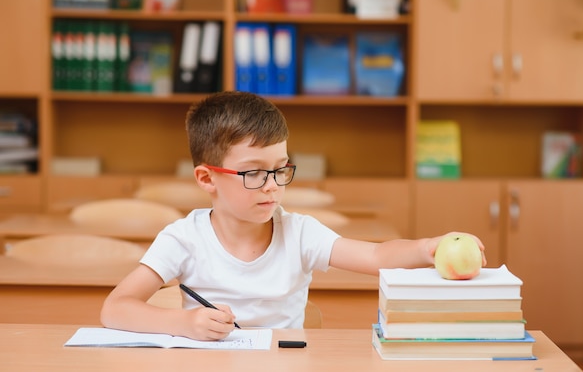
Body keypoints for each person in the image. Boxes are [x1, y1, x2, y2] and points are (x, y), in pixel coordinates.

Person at [100, 91, 486, 341]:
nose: (272, 186)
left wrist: (427, 247)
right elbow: (115, 308)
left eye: (281, 168)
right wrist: (184, 324)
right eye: (253, 173)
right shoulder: (183, 238)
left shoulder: (299, 233)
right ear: (207, 178)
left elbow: (375, 257)